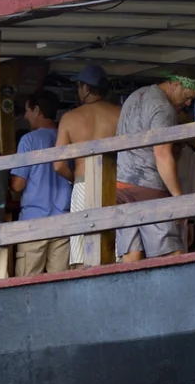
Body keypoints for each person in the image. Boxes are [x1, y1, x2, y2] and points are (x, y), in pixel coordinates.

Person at [114, 73, 195, 258]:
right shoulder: (164, 108)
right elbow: (161, 152)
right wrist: (178, 198)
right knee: (171, 254)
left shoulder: (135, 96)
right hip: (148, 186)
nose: (187, 104)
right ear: (176, 85)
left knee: (131, 255)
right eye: (187, 98)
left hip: (121, 186)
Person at [54, 64, 122, 265]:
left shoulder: (69, 118)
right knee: (115, 249)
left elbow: (58, 165)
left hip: (83, 185)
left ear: (85, 88)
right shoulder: (119, 113)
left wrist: (74, 177)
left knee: (82, 254)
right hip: (114, 184)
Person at [8, 89, 70, 274]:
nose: (26, 115)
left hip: (34, 223)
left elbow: (18, 184)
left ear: (38, 110)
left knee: (27, 285)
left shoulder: (29, 140)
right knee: (59, 285)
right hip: (63, 221)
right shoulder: (66, 137)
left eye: (27, 110)